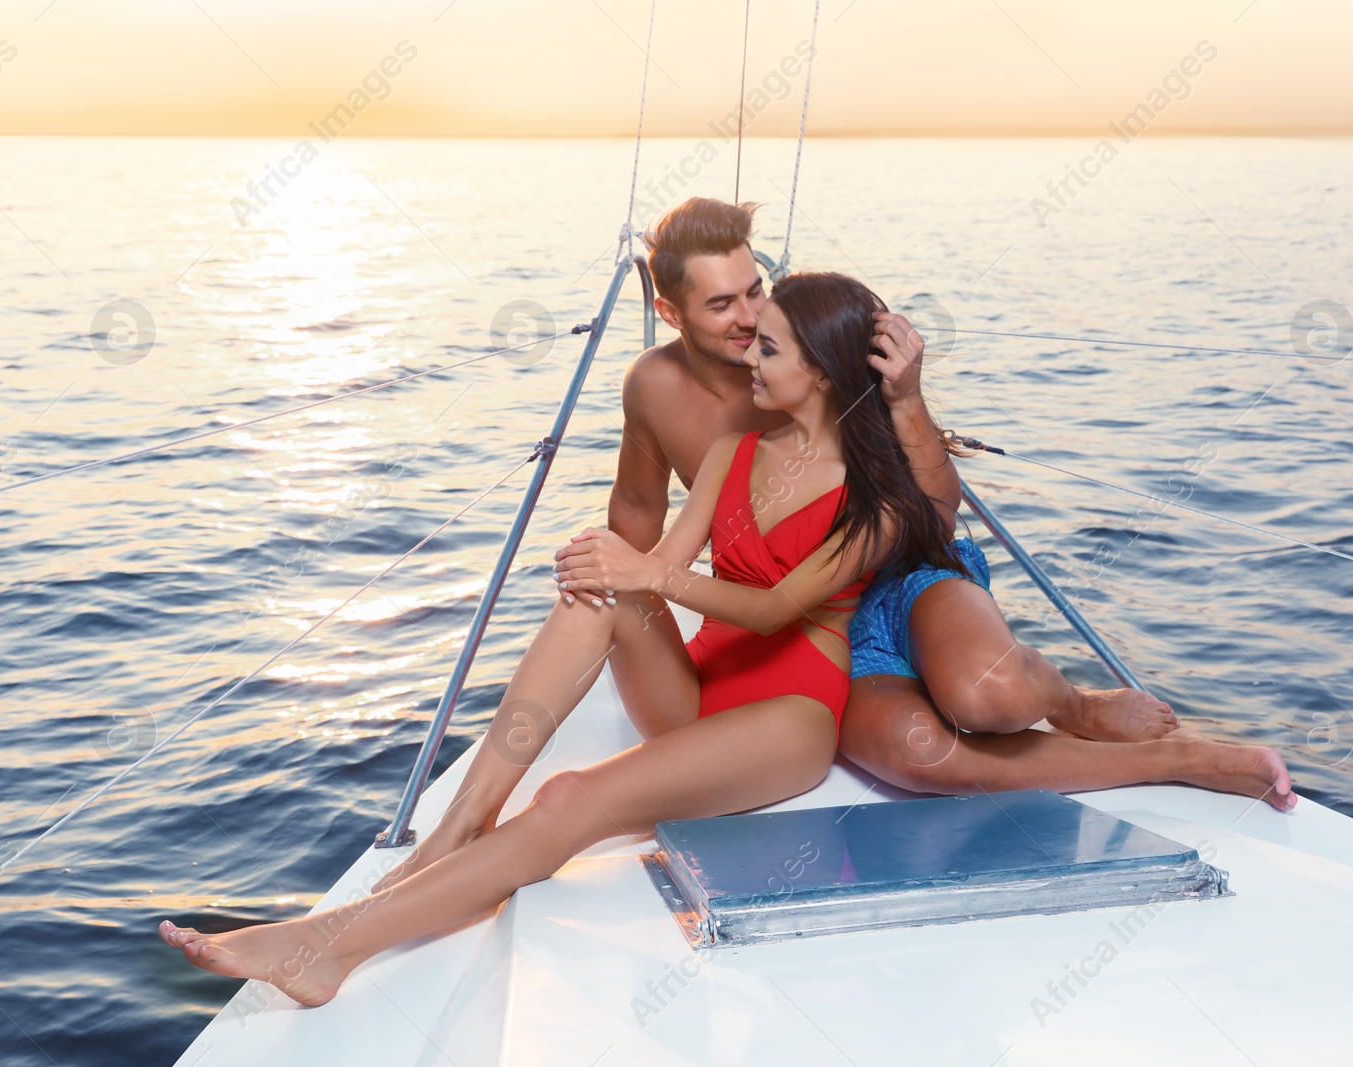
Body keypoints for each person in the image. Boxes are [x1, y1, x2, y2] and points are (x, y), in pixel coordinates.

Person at [160, 271, 967, 1006]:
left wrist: (646, 574)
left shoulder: (877, 498)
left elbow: (775, 608)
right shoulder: (734, 450)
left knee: (573, 795)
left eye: (769, 345)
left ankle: (328, 950)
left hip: (787, 714)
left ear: (822, 372)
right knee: (601, 589)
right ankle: (460, 826)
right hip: (697, 688)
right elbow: (663, 566)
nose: (749, 353)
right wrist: (617, 566)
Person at [605, 197, 1295, 812]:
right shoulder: (657, 387)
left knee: (988, 697)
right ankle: (1167, 762)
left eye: (757, 292)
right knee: (918, 754)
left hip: (905, 578)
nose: (752, 321)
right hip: (828, 636)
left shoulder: (817, 350)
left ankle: (1075, 700)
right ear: (670, 312)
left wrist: (906, 397)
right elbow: (638, 512)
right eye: (722, 305)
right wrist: (634, 632)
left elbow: (934, 517)